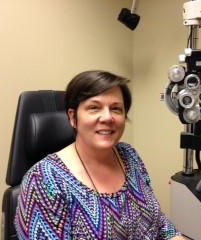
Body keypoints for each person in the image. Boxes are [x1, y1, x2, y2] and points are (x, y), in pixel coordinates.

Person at [14, 70, 186, 239]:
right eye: (94, 108)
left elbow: (158, 222)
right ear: (73, 118)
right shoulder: (44, 180)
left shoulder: (129, 155)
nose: (107, 117)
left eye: (116, 109)